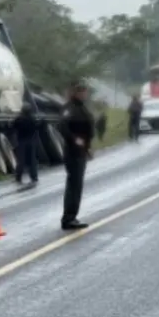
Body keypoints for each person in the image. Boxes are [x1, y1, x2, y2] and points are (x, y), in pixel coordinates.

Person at [59, 82, 94, 230]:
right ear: (76, 92)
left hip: (80, 151)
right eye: (82, 92)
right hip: (73, 152)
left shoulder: (80, 107)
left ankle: (72, 216)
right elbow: (62, 126)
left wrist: (86, 148)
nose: (85, 94)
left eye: (85, 92)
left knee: (77, 185)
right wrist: (75, 140)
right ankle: (68, 218)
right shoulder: (69, 108)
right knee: (74, 185)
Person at [12, 104, 40, 186]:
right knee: (32, 160)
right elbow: (36, 128)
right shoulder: (32, 119)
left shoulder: (18, 119)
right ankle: (34, 177)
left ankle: (18, 177)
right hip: (31, 141)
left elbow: (12, 127)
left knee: (21, 161)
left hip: (21, 142)